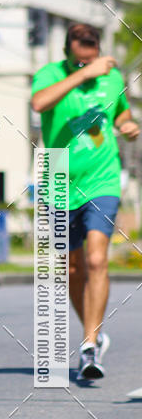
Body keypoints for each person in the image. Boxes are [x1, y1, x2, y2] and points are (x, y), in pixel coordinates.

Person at [31, 22, 139, 381]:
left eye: (93, 49)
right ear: (68, 50)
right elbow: (39, 103)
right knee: (72, 269)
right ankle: (92, 333)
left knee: (96, 259)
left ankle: (90, 344)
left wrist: (127, 123)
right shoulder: (49, 74)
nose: (89, 58)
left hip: (102, 177)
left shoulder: (111, 79)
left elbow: (121, 111)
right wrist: (83, 75)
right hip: (58, 175)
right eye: (81, 53)